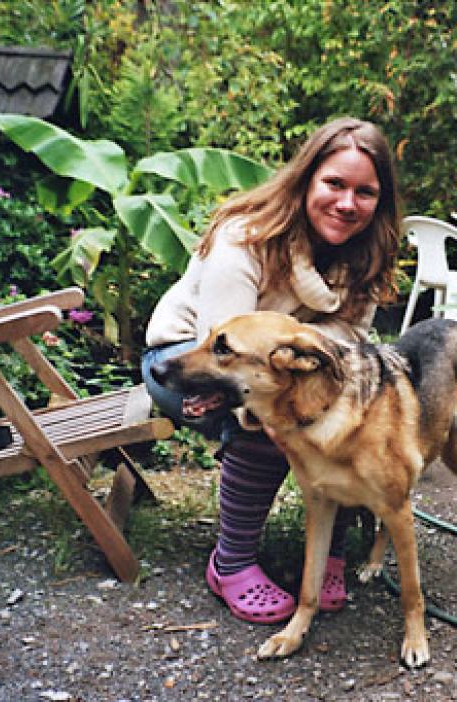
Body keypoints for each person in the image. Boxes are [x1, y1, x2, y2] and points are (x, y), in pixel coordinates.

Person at [141, 117, 401, 624]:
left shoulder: (364, 254)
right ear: (307, 179)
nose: (348, 203)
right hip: (186, 360)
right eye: (335, 184)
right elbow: (222, 349)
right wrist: (298, 388)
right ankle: (230, 563)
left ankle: (329, 552)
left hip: (285, 367)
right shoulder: (246, 238)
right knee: (271, 415)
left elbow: (353, 342)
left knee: (350, 412)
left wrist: (324, 384)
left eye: (365, 192)